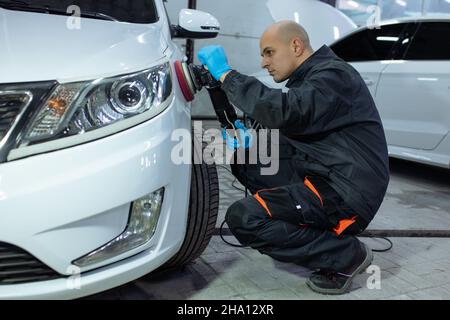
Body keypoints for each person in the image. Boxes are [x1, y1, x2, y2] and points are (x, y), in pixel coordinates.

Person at [197, 20, 390, 295]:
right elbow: (287, 122)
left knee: (244, 217)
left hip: (346, 193)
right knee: (248, 160)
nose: (264, 62)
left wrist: (227, 75)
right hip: (327, 174)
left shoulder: (333, 75)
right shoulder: (313, 79)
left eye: (268, 52)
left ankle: (345, 255)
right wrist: (241, 123)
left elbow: (287, 111)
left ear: (296, 46)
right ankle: (304, 231)